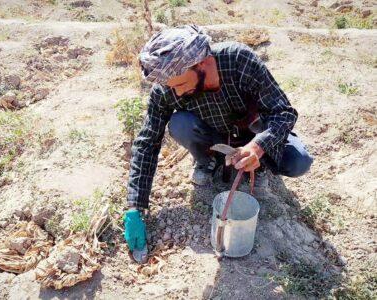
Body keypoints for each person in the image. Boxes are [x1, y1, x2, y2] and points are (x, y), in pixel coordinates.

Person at [123, 25, 313, 254]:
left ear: (202, 63)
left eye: (182, 84)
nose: (179, 93)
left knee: (298, 161)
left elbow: (283, 112)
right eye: (174, 88)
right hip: (213, 139)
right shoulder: (167, 90)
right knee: (180, 124)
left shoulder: (238, 60)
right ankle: (207, 162)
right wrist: (135, 205)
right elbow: (147, 142)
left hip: (254, 133)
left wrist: (258, 146)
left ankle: (258, 167)